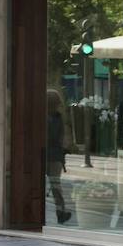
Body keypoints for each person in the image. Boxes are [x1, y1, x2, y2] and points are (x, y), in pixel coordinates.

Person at [47, 89, 72, 225]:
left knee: (55, 186)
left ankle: (61, 212)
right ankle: (60, 212)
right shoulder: (56, 117)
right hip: (53, 155)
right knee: (56, 186)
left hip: (53, 155)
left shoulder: (56, 117)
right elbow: (61, 135)